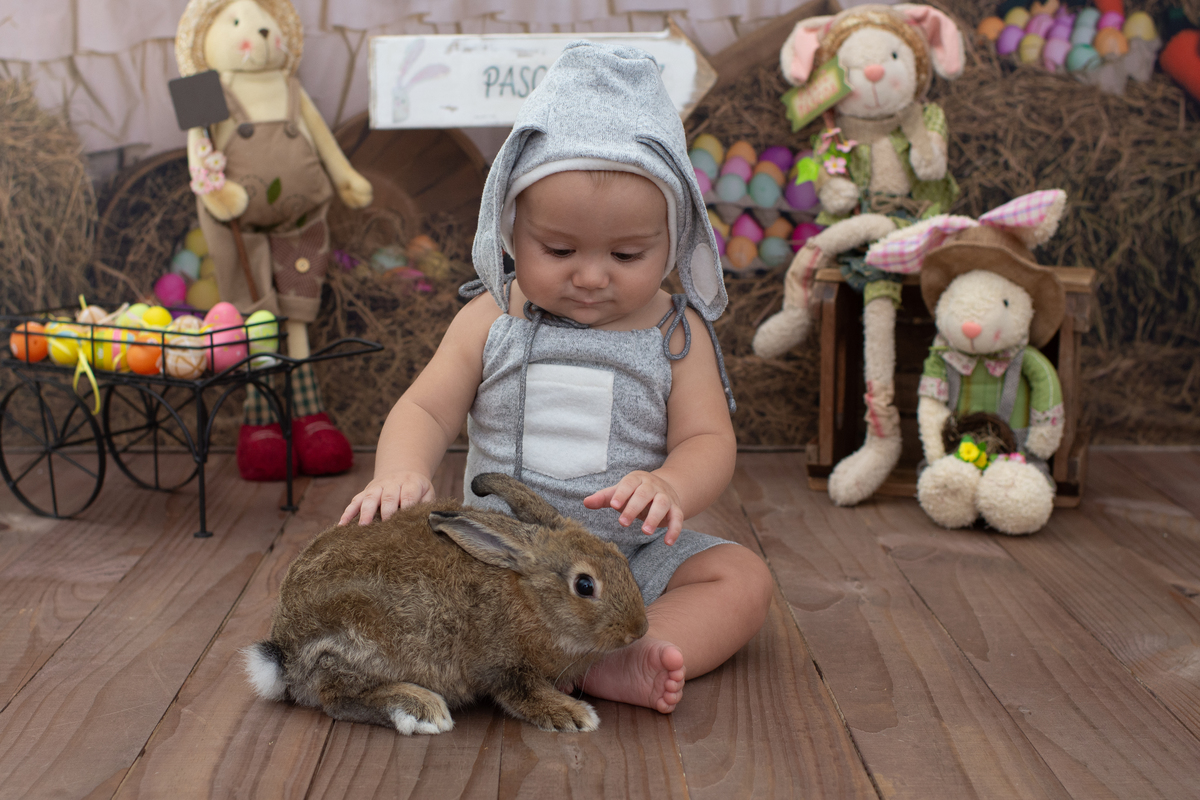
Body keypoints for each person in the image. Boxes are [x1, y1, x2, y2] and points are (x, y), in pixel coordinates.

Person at [340, 41, 773, 715]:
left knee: (740, 577)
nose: (592, 275)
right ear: (511, 230)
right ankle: (510, 657)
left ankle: (626, 657)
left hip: (627, 563)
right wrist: (399, 471)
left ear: (675, 235)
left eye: (629, 253)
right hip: (502, 563)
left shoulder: (675, 335)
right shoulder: (491, 315)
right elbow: (425, 408)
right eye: (559, 250)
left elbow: (710, 440)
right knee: (408, 585)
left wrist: (669, 484)